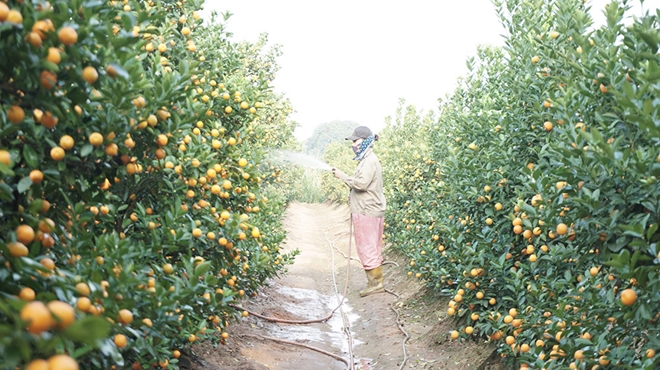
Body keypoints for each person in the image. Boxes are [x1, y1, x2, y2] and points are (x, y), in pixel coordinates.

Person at [332, 126, 387, 297]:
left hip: (366, 211)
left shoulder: (369, 161)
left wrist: (342, 176)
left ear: (366, 141)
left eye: (356, 141)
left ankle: (376, 284)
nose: (353, 144)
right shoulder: (366, 160)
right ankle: (374, 282)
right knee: (371, 245)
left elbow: (361, 184)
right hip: (369, 209)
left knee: (367, 246)